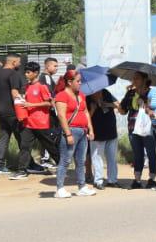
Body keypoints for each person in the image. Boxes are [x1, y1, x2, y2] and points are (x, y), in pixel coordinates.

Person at [13, 62, 60, 182]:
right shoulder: (27, 87)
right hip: (28, 123)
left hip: (41, 123)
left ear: (36, 73)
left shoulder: (42, 86)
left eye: (28, 72)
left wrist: (31, 104)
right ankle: (22, 170)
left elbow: (49, 103)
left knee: (50, 145)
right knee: (24, 146)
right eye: (25, 72)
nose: (26, 74)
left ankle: (62, 164)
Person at [52, 69, 96, 198]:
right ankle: (60, 188)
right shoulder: (62, 96)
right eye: (78, 81)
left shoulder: (81, 95)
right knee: (65, 160)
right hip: (71, 131)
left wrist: (90, 129)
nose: (80, 83)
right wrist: (68, 134)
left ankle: (82, 187)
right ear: (69, 82)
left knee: (81, 161)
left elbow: (85, 112)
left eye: (80, 81)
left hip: (82, 131)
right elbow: (61, 116)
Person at [119, 71, 156, 189]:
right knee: (137, 153)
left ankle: (152, 179)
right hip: (133, 127)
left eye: (137, 78)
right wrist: (121, 105)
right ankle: (137, 180)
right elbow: (123, 110)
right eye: (133, 78)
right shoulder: (130, 93)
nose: (134, 81)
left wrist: (144, 103)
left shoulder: (152, 92)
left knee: (151, 153)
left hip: (148, 127)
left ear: (144, 80)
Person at [0, 54, 27, 174]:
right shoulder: (13, 74)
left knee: (4, 136)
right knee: (23, 138)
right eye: (19, 62)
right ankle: (27, 164)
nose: (20, 64)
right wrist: (23, 106)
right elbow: (14, 93)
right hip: (11, 111)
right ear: (13, 62)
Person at [87, 86, 120, 188]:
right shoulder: (87, 98)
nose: (98, 92)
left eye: (100, 89)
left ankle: (112, 180)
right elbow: (86, 118)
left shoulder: (106, 93)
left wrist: (107, 104)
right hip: (97, 132)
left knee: (112, 157)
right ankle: (98, 181)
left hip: (111, 130)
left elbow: (118, 105)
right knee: (97, 157)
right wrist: (93, 109)